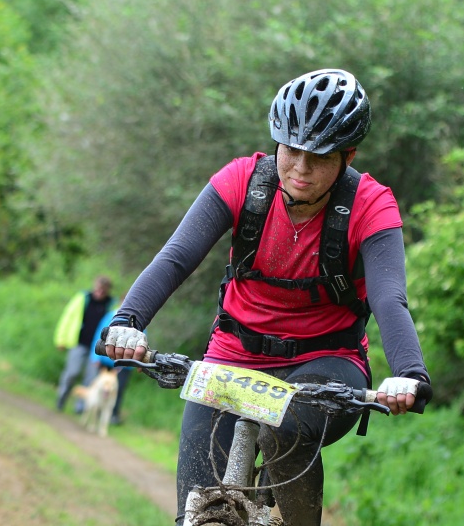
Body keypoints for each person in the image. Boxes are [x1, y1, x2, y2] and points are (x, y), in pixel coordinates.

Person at [102, 69, 431, 526]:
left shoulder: (370, 205)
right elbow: (176, 258)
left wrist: (409, 374)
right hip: (232, 357)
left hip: (326, 364)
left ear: (348, 156)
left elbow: (389, 298)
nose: (300, 168)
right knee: (194, 514)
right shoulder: (241, 181)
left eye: (319, 157)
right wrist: (127, 321)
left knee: (286, 425)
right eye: (291, 150)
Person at [53, 275, 115, 412]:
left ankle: (81, 407)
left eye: (103, 290)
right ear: (94, 286)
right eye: (98, 288)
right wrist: (61, 339)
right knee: (72, 372)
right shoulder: (83, 299)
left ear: (108, 290)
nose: (100, 292)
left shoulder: (111, 305)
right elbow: (68, 318)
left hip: (97, 349)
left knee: (91, 378)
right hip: (79, 343)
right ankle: (61, 399)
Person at [83, 291, 136, 425]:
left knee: (118, 390)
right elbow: (99, 335)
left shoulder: (137, 322)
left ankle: (113, 416)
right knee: (99, 388)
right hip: (105, 360)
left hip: (124, 364)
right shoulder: (110, 316)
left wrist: (134, 362)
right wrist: (95, 357)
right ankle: (93, 413)